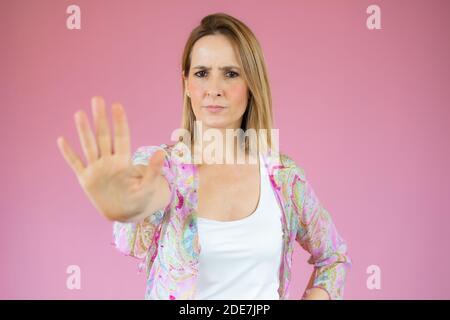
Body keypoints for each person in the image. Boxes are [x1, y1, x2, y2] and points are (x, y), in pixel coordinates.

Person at [56, 12, 352, 300]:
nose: (214, 89)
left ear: (252, 84)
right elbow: (150, 197)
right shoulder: (164, 166)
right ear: (186, 83)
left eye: (231, 74)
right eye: (201, 73)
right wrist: (127, 205)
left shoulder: (283, 177)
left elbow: (333, 256)